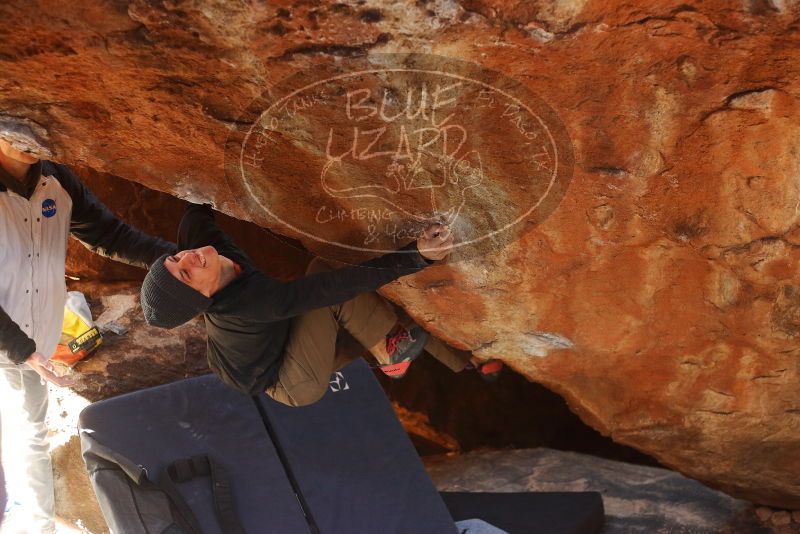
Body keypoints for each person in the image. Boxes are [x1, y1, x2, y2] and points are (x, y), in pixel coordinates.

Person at [0, 130, 175, 533]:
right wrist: (20, 349)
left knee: (29, 435)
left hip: (34, 345)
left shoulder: (58, 181)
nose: (27, 141)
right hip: (19, 346)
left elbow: (109, 235)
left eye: (35, 131)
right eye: (16, 130)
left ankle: (37, 525)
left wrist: (171, 257)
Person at [140, 203, 460, 406]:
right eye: (186, 274)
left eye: (174, 258)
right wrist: (416, 256)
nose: (187, 258)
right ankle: (390, 350)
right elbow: (329, 289)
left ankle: (469, 363)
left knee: (387, 314)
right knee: (329, 279)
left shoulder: (197, 248)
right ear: (202, 298)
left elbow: (195, 205)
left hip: (278, 340)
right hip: (292, 380)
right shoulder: (250, 306)